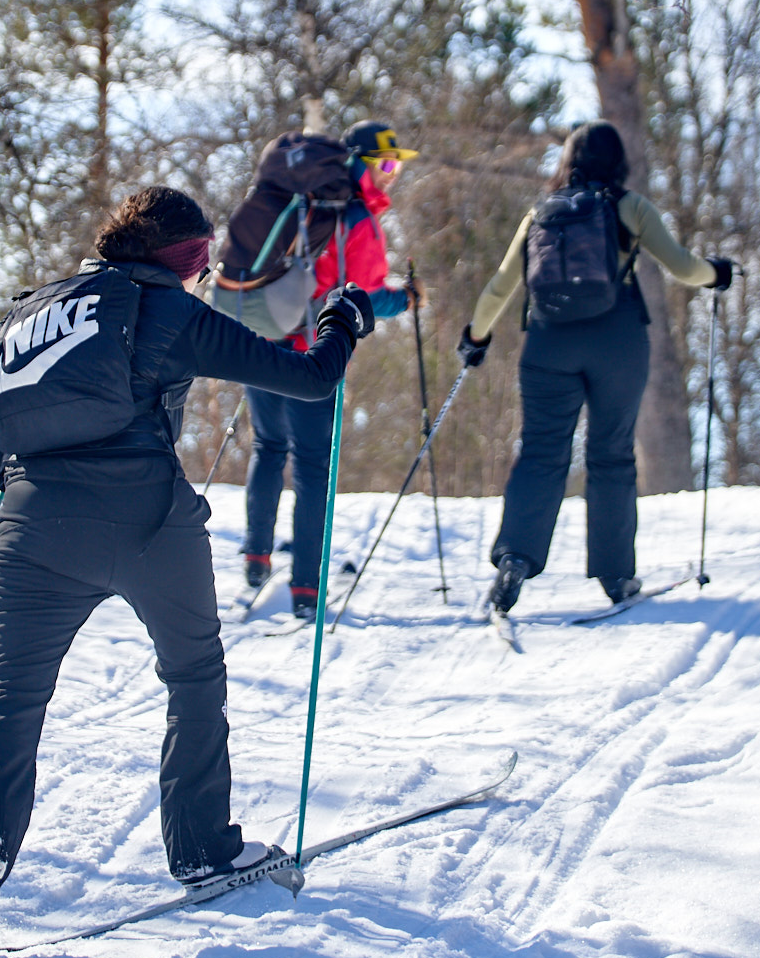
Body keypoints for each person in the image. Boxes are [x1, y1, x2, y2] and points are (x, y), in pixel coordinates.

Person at [0, 186, 377, 936]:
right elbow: (310, 378)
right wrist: (340, 322)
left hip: (32, 525)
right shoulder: (167, 308)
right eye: (202, 263)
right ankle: (202, 850)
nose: (203, 277)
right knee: (193, 675)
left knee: (11, 688)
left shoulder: (34, 313)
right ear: (185, 258)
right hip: (147, 520)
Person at [456, 121, 733, 614]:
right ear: (617, 159)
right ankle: (616, 575)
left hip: (547, 343)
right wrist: (718, 272)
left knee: (540, 451)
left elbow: (501, 285)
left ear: (568, 160)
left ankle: (515, 557)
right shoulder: (630, 206)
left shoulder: (541, 213)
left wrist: (476, 336)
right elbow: (683, 268)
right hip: (617, 341)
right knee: (611, 454)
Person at [242, 120, 416, 617]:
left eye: (397, 165)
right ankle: (306, 589)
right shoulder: (358, 220)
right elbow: (364, 297)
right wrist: (406, 298)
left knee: (268, 447)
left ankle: (256, 558)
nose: (392, 173)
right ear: (360, 164)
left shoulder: (292, 204)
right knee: (313, 465)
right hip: (312, 352)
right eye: (386, 163)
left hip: (262, 339)